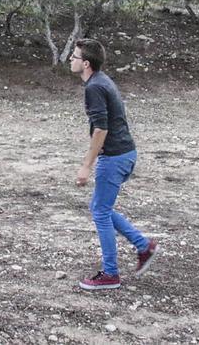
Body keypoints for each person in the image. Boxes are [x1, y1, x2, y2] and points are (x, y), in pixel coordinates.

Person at [70, 37, 158, 290]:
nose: (71, 60)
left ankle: (110, 274)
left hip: (115, 157)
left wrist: (86, 165)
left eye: (74, 57)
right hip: (125, 154)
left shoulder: (94, 87)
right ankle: (144, 246)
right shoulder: (101, 80)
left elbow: (101, 129)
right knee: (102, 207)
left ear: (86, 63)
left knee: (100, 210)